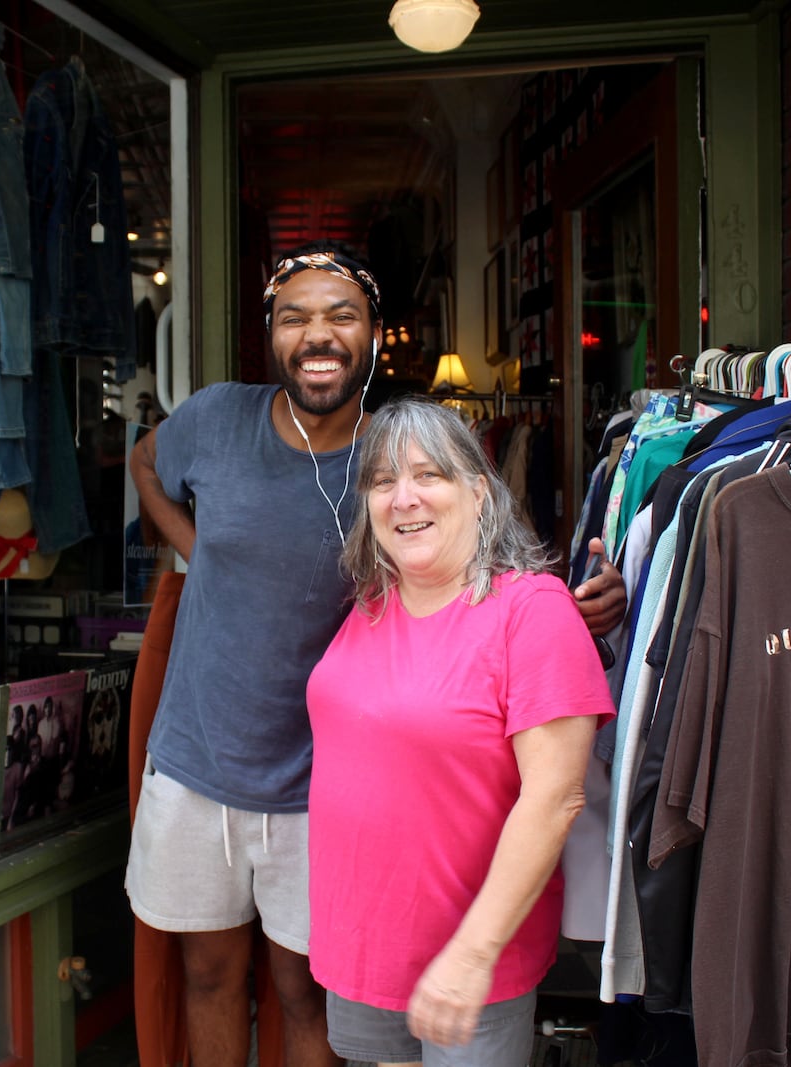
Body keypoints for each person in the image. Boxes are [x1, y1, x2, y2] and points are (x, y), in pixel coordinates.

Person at [124, 246, 625, 1067]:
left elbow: (465, 572)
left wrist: (560, 606)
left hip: (320, 777)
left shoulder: (392, 457)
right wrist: (198, 548)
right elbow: (147, 462)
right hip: (198, 755)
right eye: (295, 318)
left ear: (373, 334)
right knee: (207, 971)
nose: (317, 335)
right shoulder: (216, 418)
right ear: (272, 336)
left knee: (305, 987)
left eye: (340, 316)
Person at [306, 397, 615, 1066]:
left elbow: (554, 798)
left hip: (472, 956)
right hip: (364, 945)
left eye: (428, 474)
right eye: (382, 481)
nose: (403, 497)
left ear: (478, 491)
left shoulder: (531, 611)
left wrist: (472, 955)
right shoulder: (369, 603)